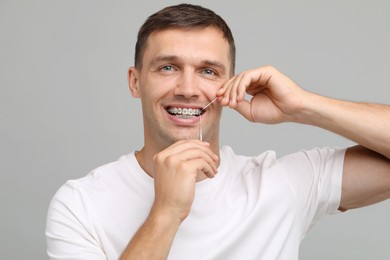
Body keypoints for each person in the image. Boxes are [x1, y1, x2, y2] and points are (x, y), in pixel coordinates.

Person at [45, 3, 390, 260]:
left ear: (230, 85)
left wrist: (301, 105)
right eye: (168, 67)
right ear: (136, 82)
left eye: (209, 72)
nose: (188, 88)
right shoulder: (80, 205)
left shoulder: (280, 184)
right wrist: (166, 212)